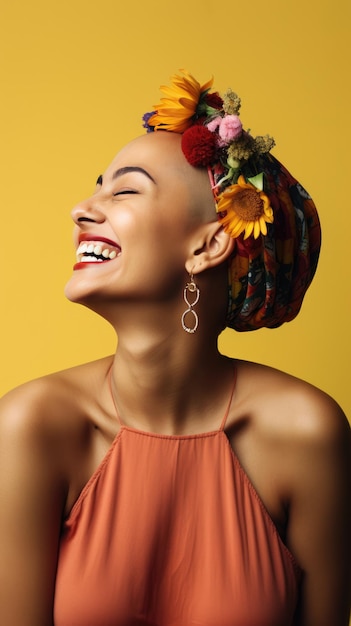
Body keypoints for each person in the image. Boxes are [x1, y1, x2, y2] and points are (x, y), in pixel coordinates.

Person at [0, 70, 350, 626]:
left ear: (209, 244)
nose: (82, 209)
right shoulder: (32, 426)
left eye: (126, 189)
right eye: (97, 187)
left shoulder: (307, 433)